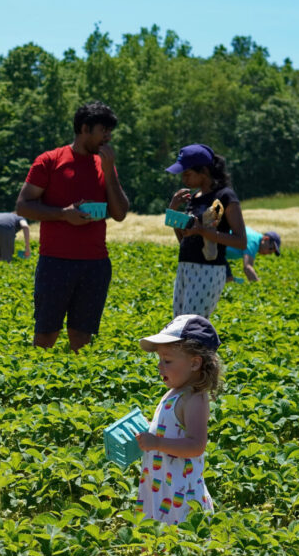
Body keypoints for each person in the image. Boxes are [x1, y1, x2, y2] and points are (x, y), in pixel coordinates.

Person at [15, 101, 130, 351]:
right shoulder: (50, 161)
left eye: (110, 132)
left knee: (82, 338)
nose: (108, 138)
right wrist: (63, 214)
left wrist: (109, 172)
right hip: (55, 262)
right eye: (104, 131)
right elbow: (23, 206)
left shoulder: (104, 165)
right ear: (85, 129)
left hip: (95, 264)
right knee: (46, 335)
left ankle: (78, 385)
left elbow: (120, 213)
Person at [135, 314, 221, 525]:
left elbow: (196, 445)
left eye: (167, 360)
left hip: (180, 491)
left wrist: (157, 443)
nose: (159, 366)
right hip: (161, 483)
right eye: (159, 360)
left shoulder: (194, 398)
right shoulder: (175, 391)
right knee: (154, 534)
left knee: (181, 541)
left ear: (194, 363)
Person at [166, 144, 247, 318]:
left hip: (208, 270)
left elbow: (241, 241)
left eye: (187, 174)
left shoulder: (225, 196)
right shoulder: (194, 198)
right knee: (178, 325)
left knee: (191, 327)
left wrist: (202, 231)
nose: (184, 179)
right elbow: (184, 240)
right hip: (185, 268)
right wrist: (173, 210)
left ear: (204, 171)